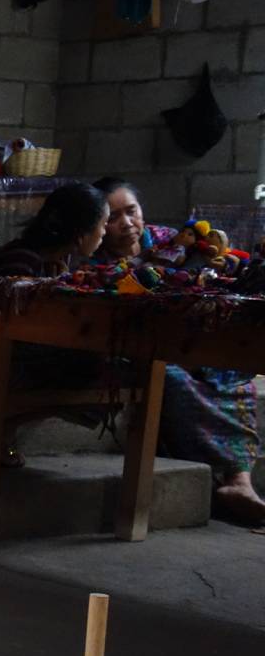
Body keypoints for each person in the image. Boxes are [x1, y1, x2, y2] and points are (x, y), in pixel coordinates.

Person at [95, 177, 265, 525]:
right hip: (146, 346)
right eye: (114, 217)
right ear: (99, 224)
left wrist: (224, 264)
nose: (127, 223)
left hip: (193, 338)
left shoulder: (169, 240)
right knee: (171, 380)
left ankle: (239, 481)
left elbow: (221, 259)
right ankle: (224, 478)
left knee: (235, 372)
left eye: (132, 211)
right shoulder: (95, 261)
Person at [0, 183, 110, 462]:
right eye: (103, 224)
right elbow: (15, 332)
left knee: (102, 372)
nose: (104, 232)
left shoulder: (50, 261)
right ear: (80, 235)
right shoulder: (22, 262)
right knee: (98, 374)